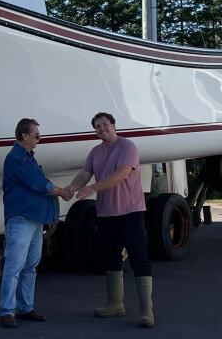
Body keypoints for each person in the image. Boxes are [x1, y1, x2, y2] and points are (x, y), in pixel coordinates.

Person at [65, 112, 155, 327]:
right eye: (97, 126)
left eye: (105, 124)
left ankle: (147, 311)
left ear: (114, 125)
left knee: (139, 258)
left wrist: (92, 189)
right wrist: (70, 189)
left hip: (130, 212)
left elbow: (122, 174)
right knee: (111, 258)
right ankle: (115, 305)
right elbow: (85, 174)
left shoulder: (127, 147)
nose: (101, 129)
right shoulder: (95, 152)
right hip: (106, 214)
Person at [0, 118, 72, 329]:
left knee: (30, 267)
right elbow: (38, 184)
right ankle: (7, 311)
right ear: (24, 136)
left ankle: (25, 308)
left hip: (34, 221)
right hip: (21, 219)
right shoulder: (16, 158)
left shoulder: (28, 158)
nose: (39, 138)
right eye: (36, 134)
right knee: (14, 266)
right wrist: (61, 191)